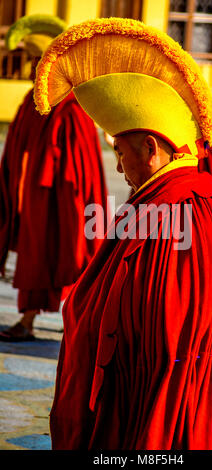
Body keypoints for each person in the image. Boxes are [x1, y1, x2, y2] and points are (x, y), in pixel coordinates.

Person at [34, 18, 212, 450]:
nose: (118, 169)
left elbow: (158, 338)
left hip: (159, 403)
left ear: (151, 149)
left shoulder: (179, 211)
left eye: (120, 152)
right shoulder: (198, 199)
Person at [0, 15, 109, 341]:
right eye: (35, 64)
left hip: (67, 199)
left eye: (40, 64)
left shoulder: (75, 108)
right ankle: (29, 321)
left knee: (76, 252)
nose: (36, 71)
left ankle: (87, 321)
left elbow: (83, 168)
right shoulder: (33, 102)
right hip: (36, 197)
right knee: (36, 254)